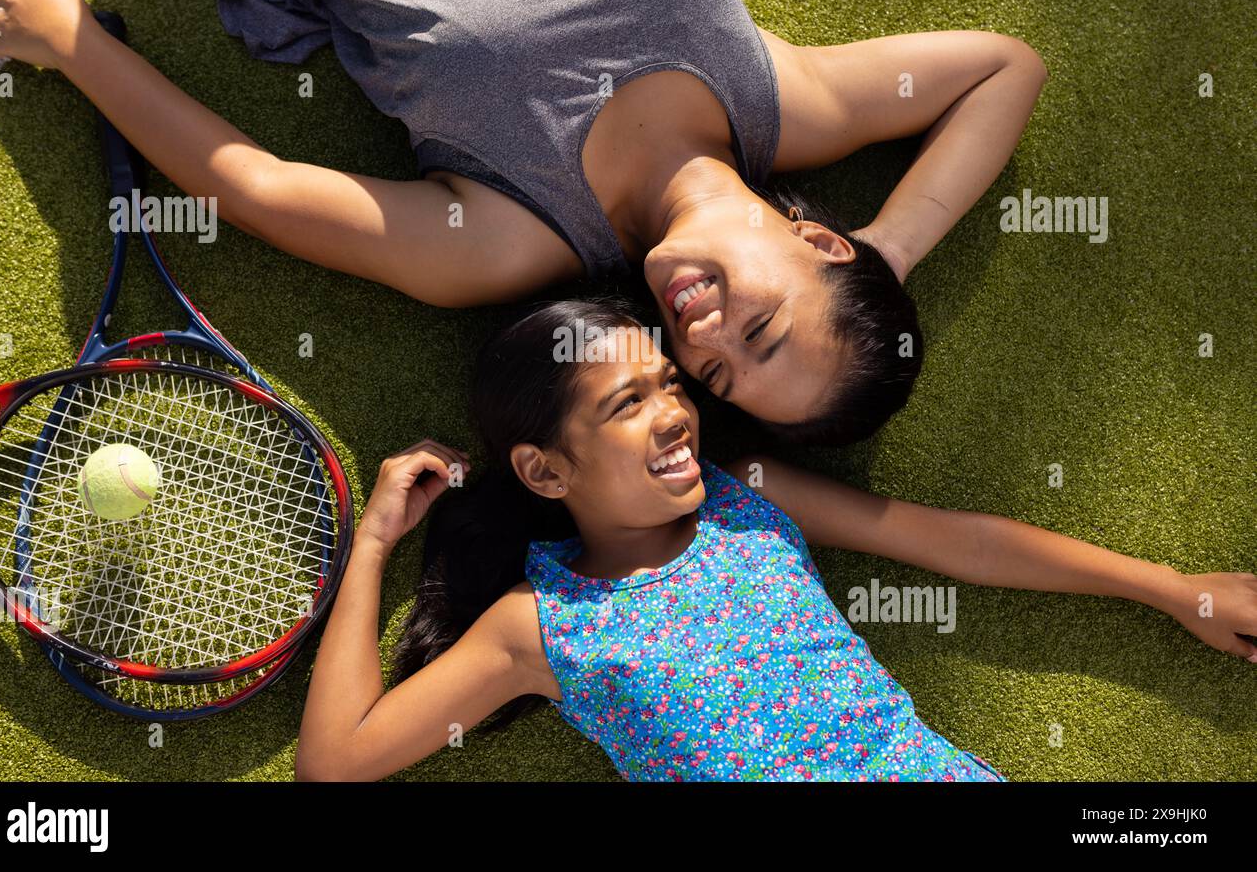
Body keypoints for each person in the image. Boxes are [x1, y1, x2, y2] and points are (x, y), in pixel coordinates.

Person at [0, 0, 1047, 444]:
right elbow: (1006, 66)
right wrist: (894, 248)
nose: (701, 339)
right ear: (821, 244)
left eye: (712, 376)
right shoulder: (787, 103)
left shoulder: (508, 238)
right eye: (758, 332)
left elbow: (258, 187)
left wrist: (79, 50)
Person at [292, 299, 1257, 781]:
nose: (674, 411)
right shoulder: (539, 626)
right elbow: (337, 761)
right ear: (545, 469)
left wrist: (1172, 587)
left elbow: (954, 543)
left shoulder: (741, 496)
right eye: (629, 403)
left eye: (670, 382)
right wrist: (374, 541)